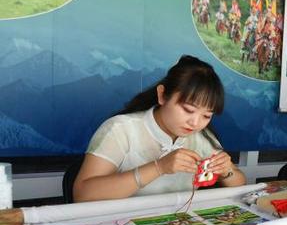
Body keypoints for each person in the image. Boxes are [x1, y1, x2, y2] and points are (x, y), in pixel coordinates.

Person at [73, 55, 245, 202]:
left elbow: (240, 184)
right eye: (188, 110)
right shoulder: (120, 129)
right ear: (162, 95)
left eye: (207, 116)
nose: (195, 123)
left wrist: (227, 170)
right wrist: (159, 167)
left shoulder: (201, 137)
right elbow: (82, 194)